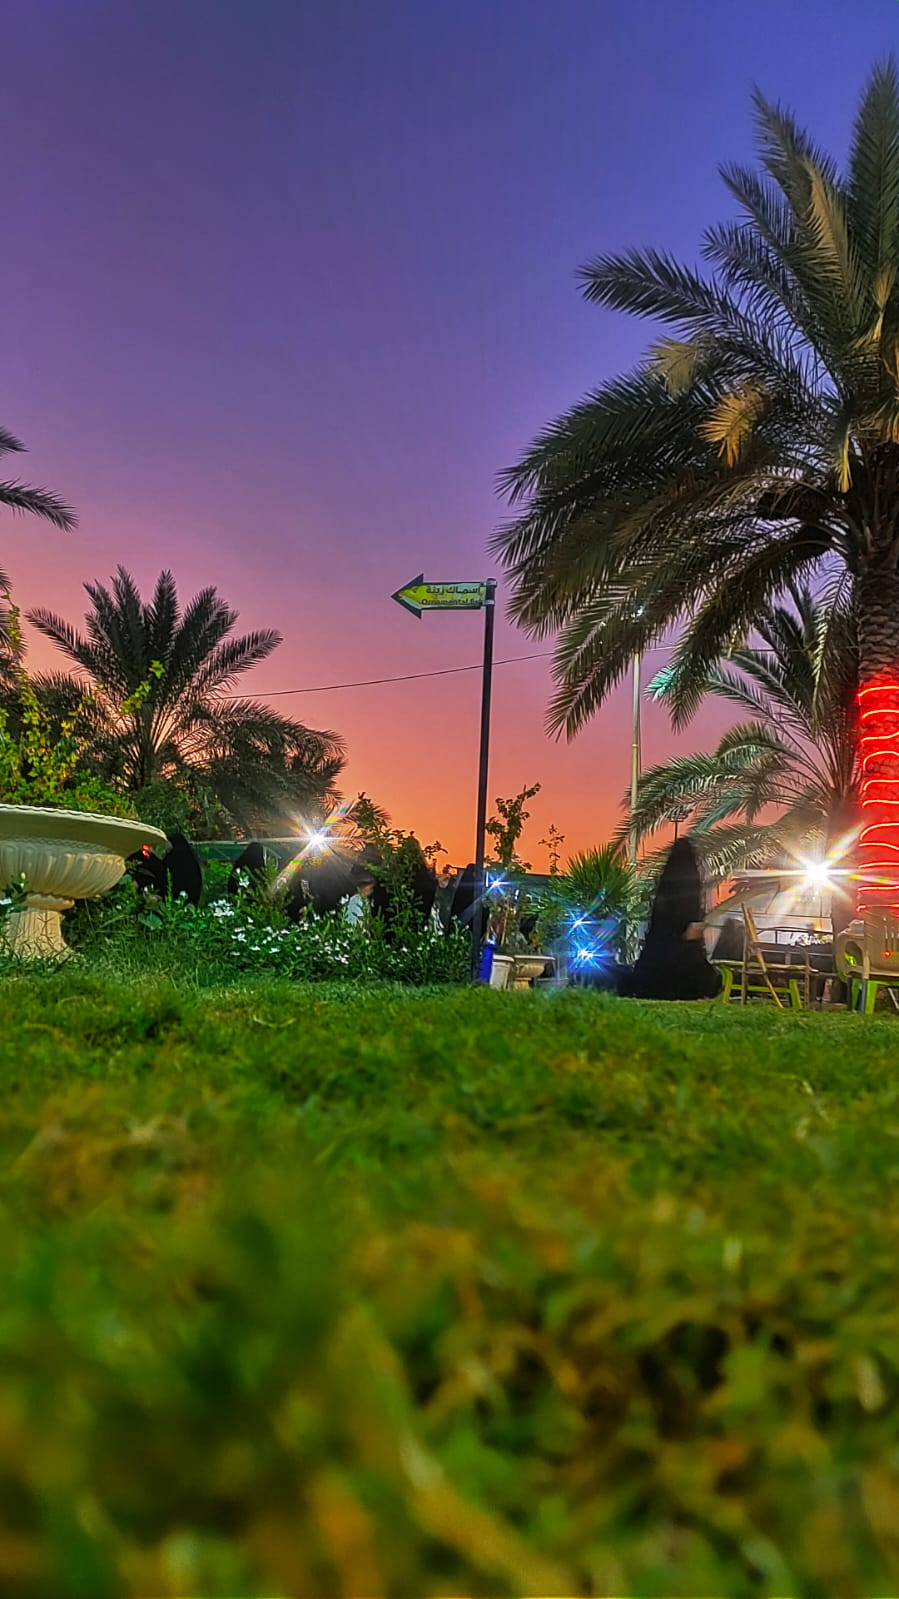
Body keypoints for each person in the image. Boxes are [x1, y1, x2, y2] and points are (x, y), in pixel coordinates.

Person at [628, 837, 722, 1000]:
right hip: (683, 945)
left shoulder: (666, 882)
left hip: (660, 947)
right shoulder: (691, 881)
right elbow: (691, 912)